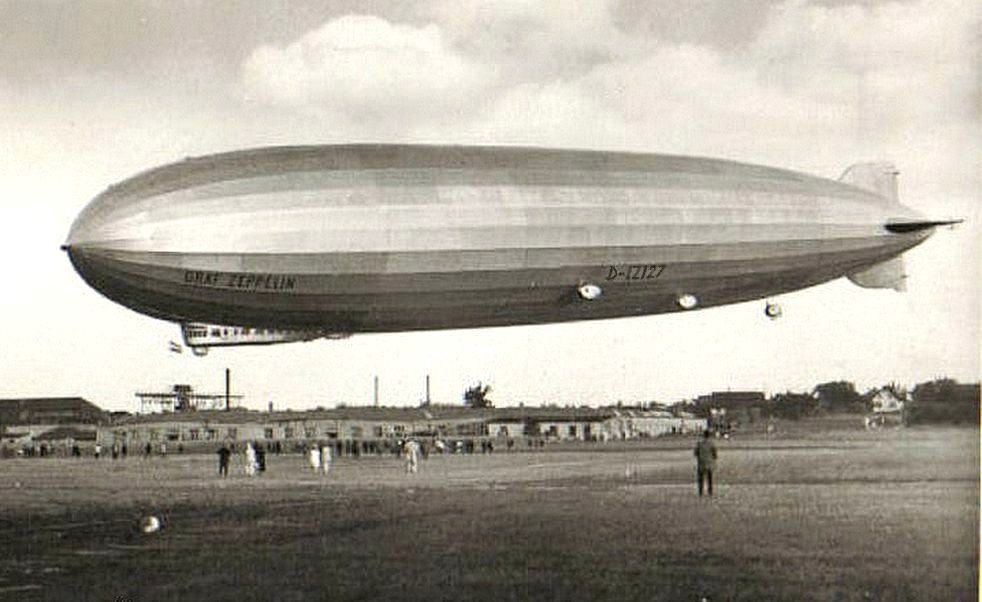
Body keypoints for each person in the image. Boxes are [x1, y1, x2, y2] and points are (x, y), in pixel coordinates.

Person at [694, 430, 718, 496]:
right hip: (709, 463)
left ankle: (700, 491)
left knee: (700, 478)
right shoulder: (712, 444)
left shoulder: (699, 443)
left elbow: (695, 453)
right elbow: (715, 454)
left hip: (701, 463)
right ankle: (710, 491)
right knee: (709, 478)